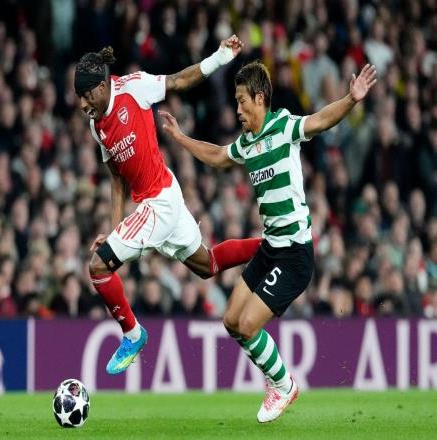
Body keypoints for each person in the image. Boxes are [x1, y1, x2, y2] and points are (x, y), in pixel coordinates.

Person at [160, 61, 377, 422]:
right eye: (236, 101)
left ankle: (283, 385)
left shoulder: (284, 126)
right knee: (231, 319)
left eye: (242, 101)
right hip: (269, 247)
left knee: (248, 326)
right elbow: (218, 156)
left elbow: (321, 120)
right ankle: (277, 381)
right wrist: (181, 139)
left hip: (294, 254)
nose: (238, 109)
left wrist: (351, 99)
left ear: (259, 98)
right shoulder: (247, 143)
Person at [74, 35, 262, 375]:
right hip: (160, 199)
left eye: (87, 95)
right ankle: (272, 245)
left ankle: (133, 335)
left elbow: (179, 80)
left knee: (98, 268)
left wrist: (220, 57)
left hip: (159, 201)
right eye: (79, 97)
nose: (83, 103)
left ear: (102, 86)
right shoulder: (96, 126)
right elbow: (116, 180)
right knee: (208, 264)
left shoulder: (134, 88)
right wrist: (115, 231)